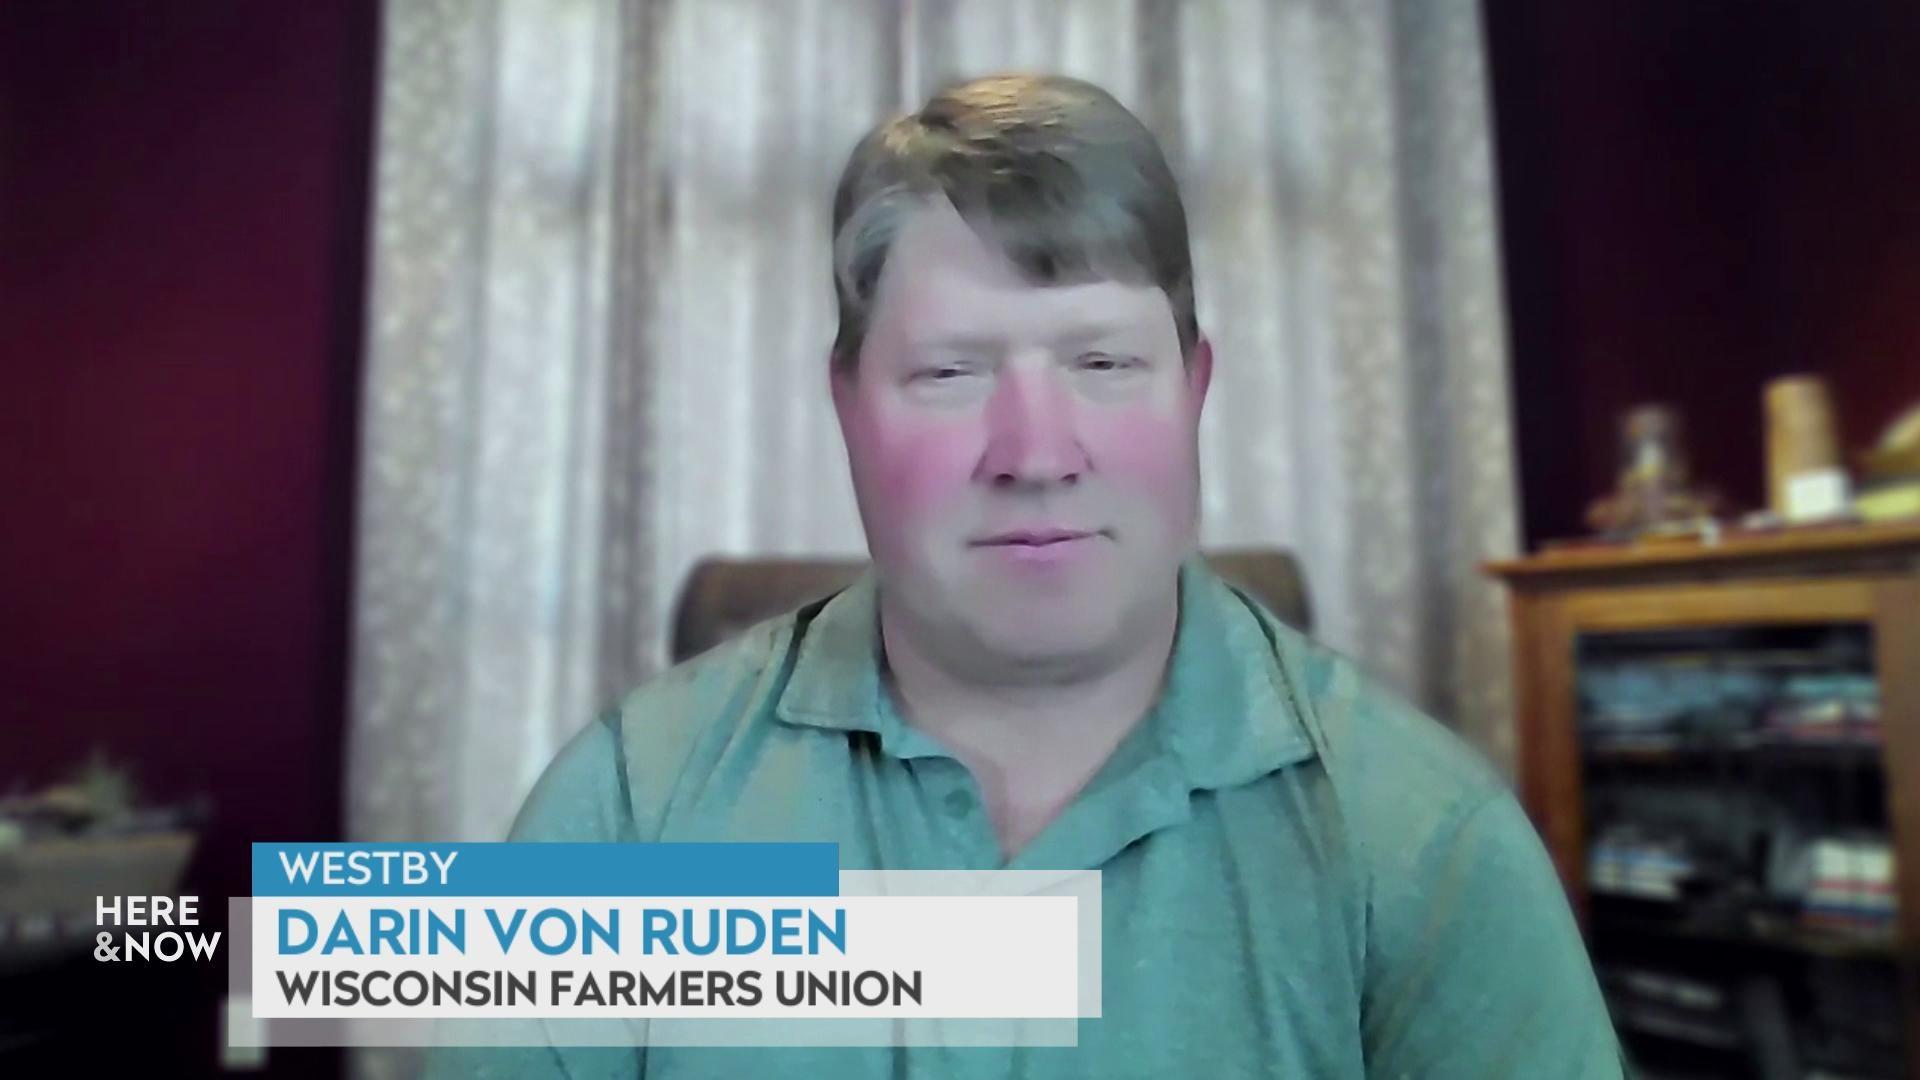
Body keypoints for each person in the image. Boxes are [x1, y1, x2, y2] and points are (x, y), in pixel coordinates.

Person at [431, 72, 1622, 1078]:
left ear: (1195, 391)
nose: (1039, 454)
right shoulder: (626, 812)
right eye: (950, 373)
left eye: (1103, 359)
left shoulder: (1429, 847)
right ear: (846, 405)